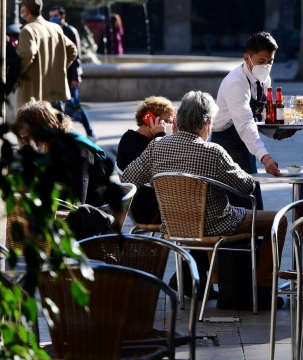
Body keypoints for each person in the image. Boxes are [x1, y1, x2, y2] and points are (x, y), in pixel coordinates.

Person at [120, 90, 284, 308]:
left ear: (178, 120)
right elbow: (247, 186)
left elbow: (129, 178)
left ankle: (213, 283)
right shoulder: (213, 151)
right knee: (278, 221)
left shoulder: (156, 147)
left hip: (173, 225)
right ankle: (263, 289)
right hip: (216, 223)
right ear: (207, 123)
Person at [210, 32, 296, 206]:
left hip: (247, 145)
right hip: (228, 145)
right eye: (261, 62)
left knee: (255, 202)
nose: (265, 66)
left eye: (270, 62)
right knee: (244, 206)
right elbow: (245, 124)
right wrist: (265, 157)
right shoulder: (236, 82)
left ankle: (254, 232)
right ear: (247, 58)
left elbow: (261, 115)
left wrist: (278, 133)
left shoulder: (264, 78)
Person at [14, 100, 115, 206]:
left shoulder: (78, 150)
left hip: (89, 214)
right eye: (23, 137)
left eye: (27, 136)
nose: (26, 141)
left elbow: (78, 203)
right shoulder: (53, 146)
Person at [115, 96, 177, 226]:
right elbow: (167, 171)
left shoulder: (129, 137)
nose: (170, 125)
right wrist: (161, 136)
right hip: (152, 210)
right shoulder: (140, 144)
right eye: (167, 121)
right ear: (151, 120)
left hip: (142, 207)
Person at [15, 0, 76, 109]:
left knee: (29, 125)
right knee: (56, 125)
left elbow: (28, 53)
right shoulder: (55, 28)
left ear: (25, 10)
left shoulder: (28, 30)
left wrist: (18, 74)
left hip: (33, 95)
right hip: (55, 93)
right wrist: (59, 69)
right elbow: (72, 50)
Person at [48, 5, 96, 142]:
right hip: (58, 75)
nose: (53, 18)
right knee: (57, 105)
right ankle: (61, 132)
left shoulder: (70, 31)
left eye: (55, 15)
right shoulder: (52, 31)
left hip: (71, 75)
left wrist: (75, 77)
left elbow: (76, 56)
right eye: (51, 15)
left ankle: (89, 132)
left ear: (63, 16)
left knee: (74, 104)